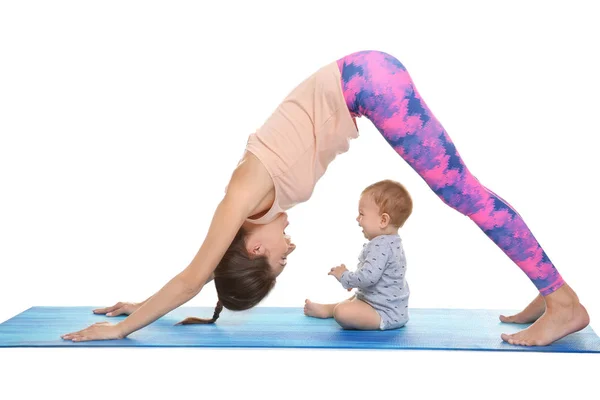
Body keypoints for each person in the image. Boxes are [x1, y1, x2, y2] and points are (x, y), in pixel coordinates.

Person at [61, 50, 589, 346]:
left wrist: (126, 325)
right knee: (466, 193)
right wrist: (145, 301)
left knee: (465, 194)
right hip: (367, 83)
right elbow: (196, 280)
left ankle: (563, 304)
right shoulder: (256, 204)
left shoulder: (241, 196)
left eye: (278, 263)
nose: (290, 251)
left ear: (253, 249)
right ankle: (548, 291)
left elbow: (192, 276)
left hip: (369, 83)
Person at [304, 180, 412, 331]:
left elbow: (368, 278)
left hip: (384, 313)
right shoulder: (392, 242)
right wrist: (355, 281)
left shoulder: (380, 245)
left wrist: (345, 277)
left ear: (383, 220)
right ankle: (327, 309)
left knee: (343, 312)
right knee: (356, 299)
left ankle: (333, 311)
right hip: (389, 306)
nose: (357, 219)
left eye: (362, 214)